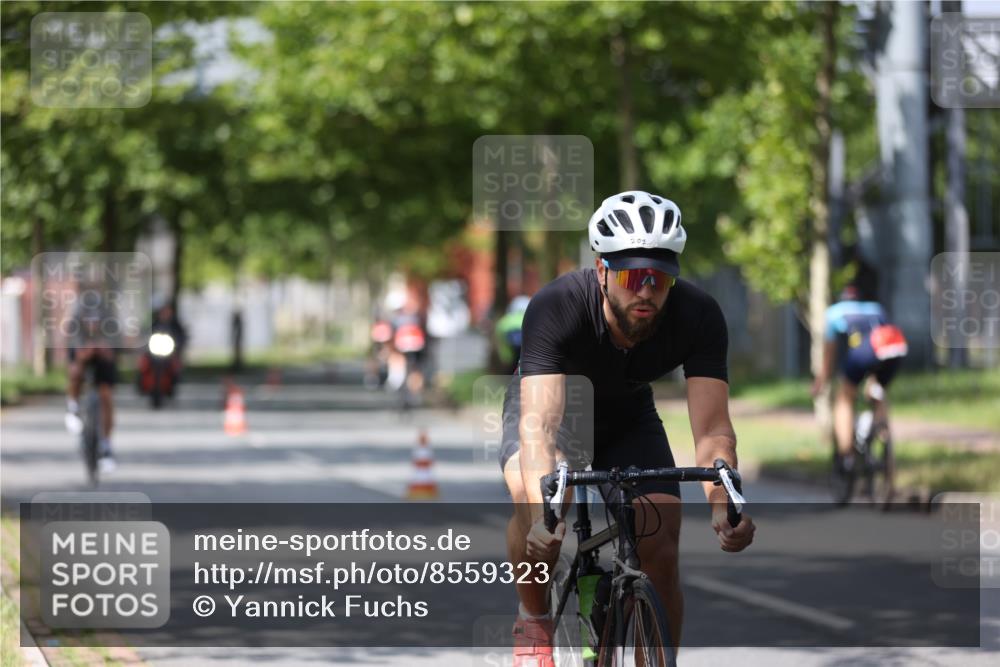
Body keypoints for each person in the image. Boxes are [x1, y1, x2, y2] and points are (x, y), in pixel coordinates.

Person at [499, 191, 755, 666]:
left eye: (659, 279)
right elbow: (539, 427)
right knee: (534, 495)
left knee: (660, 538)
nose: (646, 291)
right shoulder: (557, 305)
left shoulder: (698, 316)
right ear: (601, 271)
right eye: (632, 276)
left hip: (629, 415)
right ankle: (533, 623)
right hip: (554, 412)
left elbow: (715, 429)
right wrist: (543, 513)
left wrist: (723, 503)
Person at [811, 284, 908, 472]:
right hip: (895, 346)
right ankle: (883, 434)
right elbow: (883, 334)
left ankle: (846, 454)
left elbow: (829, 353)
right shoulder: (875, 308)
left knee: (845, 397)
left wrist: (821, 380)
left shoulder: (833, 313)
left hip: (866, 350)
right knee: (877, 390)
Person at [64, 283, 119, 473]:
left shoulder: (108, 312)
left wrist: (108, 349)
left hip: (102, 353)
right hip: (82, 350)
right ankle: (73, 406)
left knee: (106, 395)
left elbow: (116, 337)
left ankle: (106, 445)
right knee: (75, 372)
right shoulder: (76, 312)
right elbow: (70, 337)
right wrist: (82, 352)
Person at [495, 295, 530, 374]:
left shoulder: (505, 320)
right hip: (527, 357)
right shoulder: (532, 318)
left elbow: (500, 337)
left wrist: (505, 357)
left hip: (510, 356)